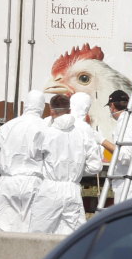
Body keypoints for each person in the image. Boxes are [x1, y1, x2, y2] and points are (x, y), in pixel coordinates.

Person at [29, 94, 103, 235]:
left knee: (37, 234)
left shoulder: (45, 133)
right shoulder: (82, 134)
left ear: (51, 111)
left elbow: (34, 157)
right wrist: (77, 170)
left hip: (49, 189)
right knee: (73, 237)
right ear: (69, 110)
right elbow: (96, 166)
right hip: (72, 189)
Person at [0, 90, 47, 232]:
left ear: (25, 105)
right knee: (32, 227)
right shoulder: (47, 128)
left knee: (2, 226)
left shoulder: (7, 127)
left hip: (8, 182)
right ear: (42, 106)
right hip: (36, 183)